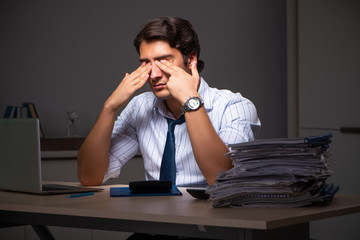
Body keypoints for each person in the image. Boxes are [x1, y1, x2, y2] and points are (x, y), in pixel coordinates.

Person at [77, 16, 261, 188]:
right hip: (155, 219)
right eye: (146, 64)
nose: (155, 75)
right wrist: (110, 107)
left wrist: (191, 100)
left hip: (214, 220)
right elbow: (89, 177)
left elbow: (221, 178)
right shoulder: (139, 107)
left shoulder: (235, 107)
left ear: (191, 59)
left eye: (163, 61)